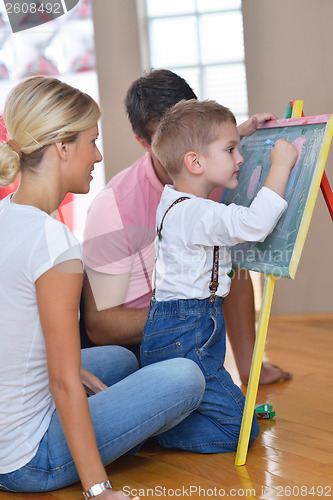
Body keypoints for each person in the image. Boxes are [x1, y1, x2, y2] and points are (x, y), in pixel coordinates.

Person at [0, 76, 206, 498]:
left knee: (117, 360)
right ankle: (92, 462)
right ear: (61, 147)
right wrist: (99, 490)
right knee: (185, 376)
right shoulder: (54, 242)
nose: (97, 155)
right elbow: (60, 380)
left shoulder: (7, 215)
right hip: (28, 460)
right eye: (91, 141)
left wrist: (83, 379)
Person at [82, 69, 291, 384]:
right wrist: (186, 312)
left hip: (202, 335)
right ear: (143, 141)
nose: (186, 146)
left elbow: (236, 272)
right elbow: (102, 325)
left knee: (229, 261)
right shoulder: (113, 207)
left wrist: (250, 368)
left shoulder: (222, 174)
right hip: (151, 341)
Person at [140, 99, 298, 452]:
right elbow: (255, 224)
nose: (239, 158)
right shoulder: (196, 213)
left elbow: (201, 148)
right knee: (241, 431)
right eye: (231, 150)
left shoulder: (174, 199)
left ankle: (163, 418)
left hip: (183, 327)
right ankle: (151, 432)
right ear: (195, 162)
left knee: (229, 408)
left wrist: (244, 131)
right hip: (188, 333)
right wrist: (281, 165)